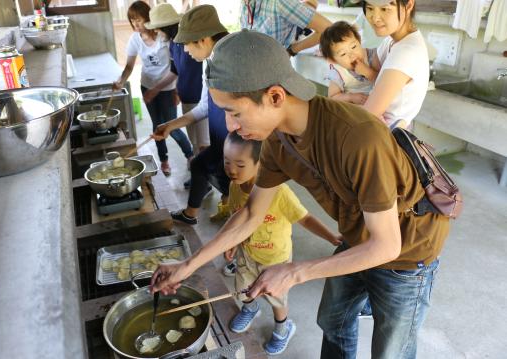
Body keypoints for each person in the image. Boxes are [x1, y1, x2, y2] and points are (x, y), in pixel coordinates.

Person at [151, 28, 450, 359]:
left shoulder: (358, 137)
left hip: (406, 249)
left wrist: (295, 271)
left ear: (276, 97)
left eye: (235, 111)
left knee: (391, 349)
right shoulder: (278, 141)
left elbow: (387, 245)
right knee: (333, 318)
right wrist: (188, 266)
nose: (230, 125)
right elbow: (252, 214)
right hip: (359, 232)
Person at [225, 131, 344, 354]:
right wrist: (232, 242)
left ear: (259, 164)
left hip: (275, 260)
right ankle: (250, 309)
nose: (231, 169)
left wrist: (330, 236)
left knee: (276, 298)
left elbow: (305, 218)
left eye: (240, 164)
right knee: (242, 288)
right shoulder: (234, 186)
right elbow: (235, 216)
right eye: (227, 162)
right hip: (246, 254)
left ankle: (283, 327)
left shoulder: (279, 192)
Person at [151, 5, 231, 224]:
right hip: (221, 140)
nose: (185, 50)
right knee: (199, 165)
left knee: (238, 191)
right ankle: (191, 214)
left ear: (203, 39)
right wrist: (170, 125)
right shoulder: (211, 61)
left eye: (187, 44)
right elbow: (205, 107)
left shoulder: (232, 61)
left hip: (235, 144)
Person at [113, 1, 193, 176]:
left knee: (172, 127)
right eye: (132, 20)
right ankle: (164, 161)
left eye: (139, 20)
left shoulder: (165, 36)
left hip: (168, 88)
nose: (136, 24)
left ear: (149, 19)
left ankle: (190, 156)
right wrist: (120, 81)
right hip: (147, 86)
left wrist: (177, 90)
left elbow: (176, 68)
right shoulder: (135, 39)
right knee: (157, 126)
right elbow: (128, 67)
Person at [144, 3, 209, 188]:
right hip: (187, 99)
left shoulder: (191, 42)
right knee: (196, 144)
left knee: (203, 144)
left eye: (157, 28)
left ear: (166, 27)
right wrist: (159, 88)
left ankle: (204, 183)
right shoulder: (173, 44)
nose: (156, 31)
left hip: (200, 100)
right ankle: (201, 180)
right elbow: (175, 71)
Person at [361, 0, 430, 130]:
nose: (375, 18)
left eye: (385, 9)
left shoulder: (406, 52)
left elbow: (368, 115)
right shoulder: (390, 41)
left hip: (385, 139)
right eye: (370, 8)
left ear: (409, 5)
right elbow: (373, 74)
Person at [241, 0, 332, 55]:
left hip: (272, 74)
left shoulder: (280, 3)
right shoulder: (245, 4)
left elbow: (328, 29)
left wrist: (292, 50)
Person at [320, 20, 379, 105]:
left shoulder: (372, 56)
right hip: (354, 108)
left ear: (359, 41)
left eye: (354, 46)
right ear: (333, 60)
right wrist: (351, 97)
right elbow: (332, 97)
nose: (352, 55)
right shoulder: (338, 72)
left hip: (378, 102)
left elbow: (384, 81)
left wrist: (367, 72)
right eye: (343, 54)